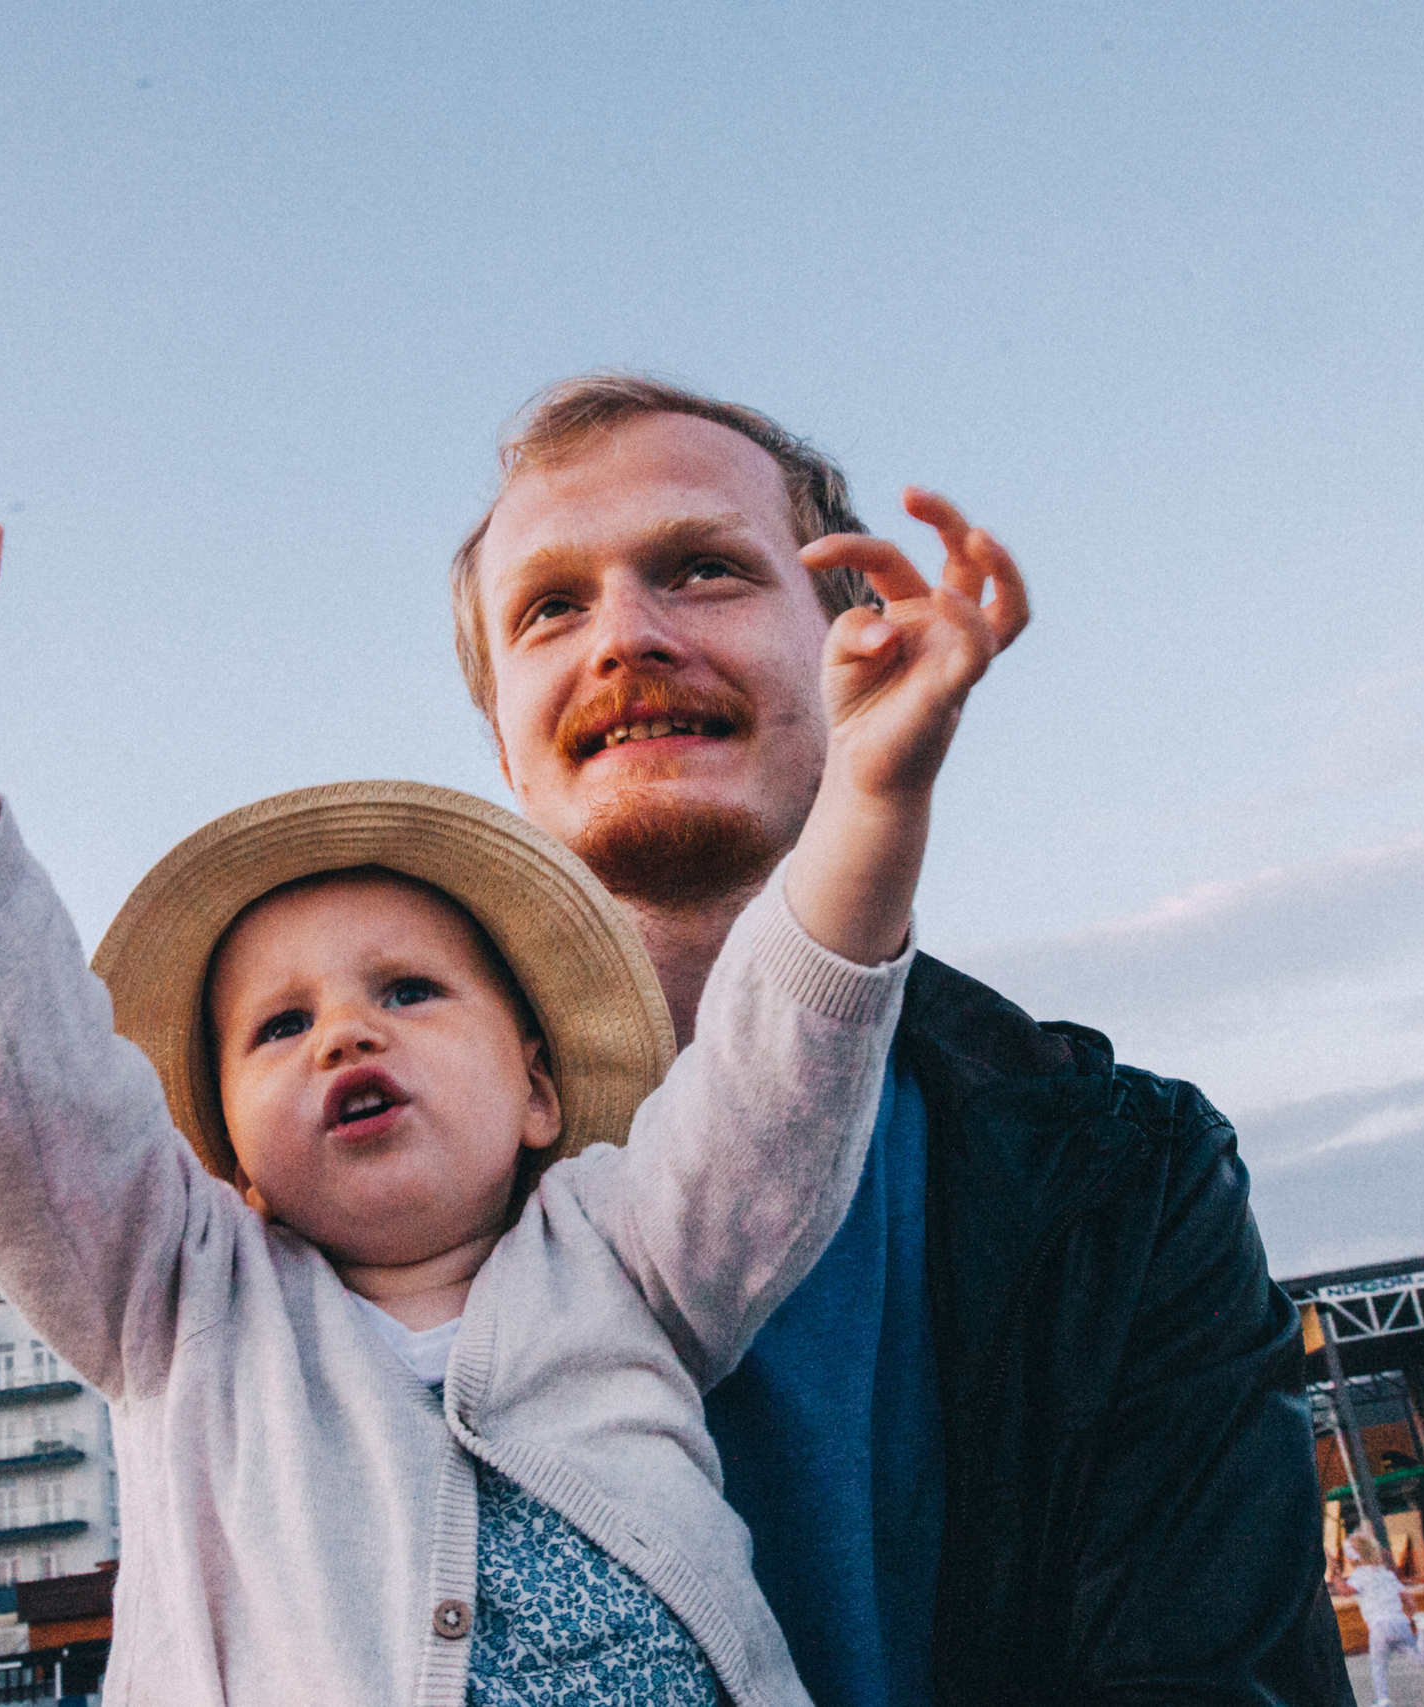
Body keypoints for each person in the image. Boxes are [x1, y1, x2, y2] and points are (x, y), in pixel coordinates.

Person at [0, 460, 1017, 1703]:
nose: (344, 1037)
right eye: (279, 1027)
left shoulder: (632, 1256)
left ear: (538, 1093)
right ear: (228, 1152)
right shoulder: (176, 1294)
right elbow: (31, 1066)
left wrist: (874, 790)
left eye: (411, 992)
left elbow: (780, 1070)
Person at [449, 373, 1353, 1704]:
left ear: (857, 642)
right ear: (501, 747)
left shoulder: (1128, 1179)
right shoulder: (328, 1201)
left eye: (702, 569)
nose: (625, 636)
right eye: (550, 607)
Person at [1339, 1536, 1424, 1707]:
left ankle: (1383, 1699)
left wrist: (1335, 1574)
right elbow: (1407, 1597)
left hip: (1379, 1627)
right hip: (1399, 1622)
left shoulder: (1359, 1575)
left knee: (1378, 1663)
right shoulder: (1387, 1574)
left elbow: (1346, 1591)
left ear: (1353, 1558)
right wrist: (1414, 1616)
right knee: (1420, 1658)